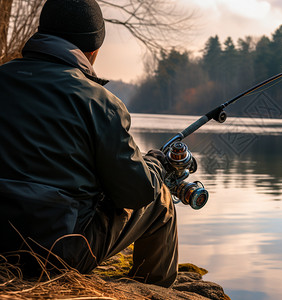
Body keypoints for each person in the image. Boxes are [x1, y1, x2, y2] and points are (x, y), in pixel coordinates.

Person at [0, 0, 178, 287]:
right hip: (57, 253)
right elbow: (136, 194)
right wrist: (155, 167)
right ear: (93, 50)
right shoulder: (100, 103)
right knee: (160, 202)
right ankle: (152, 291)